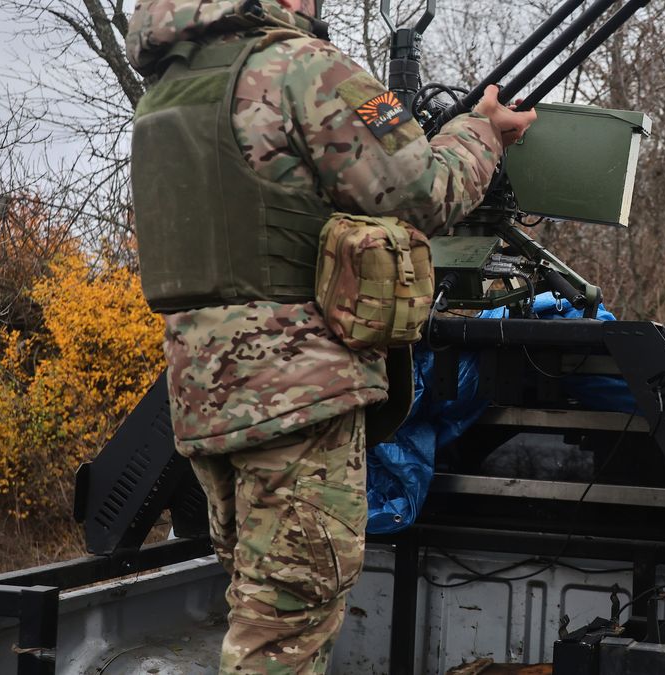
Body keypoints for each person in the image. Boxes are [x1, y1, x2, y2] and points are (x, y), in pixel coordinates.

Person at [124, 0, 536, 672]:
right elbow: (423, 191)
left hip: (204, 394)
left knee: (261, 605)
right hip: (299, 398)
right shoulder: (301, 68)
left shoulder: (169, 87)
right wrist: (485, 131)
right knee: (285, 629)